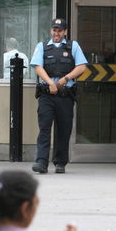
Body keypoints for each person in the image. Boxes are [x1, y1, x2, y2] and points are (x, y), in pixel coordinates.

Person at [30, 18, 87, 174]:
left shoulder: (73, 46)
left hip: (65, 95)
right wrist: (50, 83)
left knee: (64, 129)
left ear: (65, 32)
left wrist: (65, 79)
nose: (56, 33)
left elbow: (81, 66)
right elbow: (37, 66)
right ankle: (41, 162)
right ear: (51, 30)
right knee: (44, 128)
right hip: (47, 94)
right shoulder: (42, 46)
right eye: (54, 30)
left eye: (60, 30)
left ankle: (60, 162)